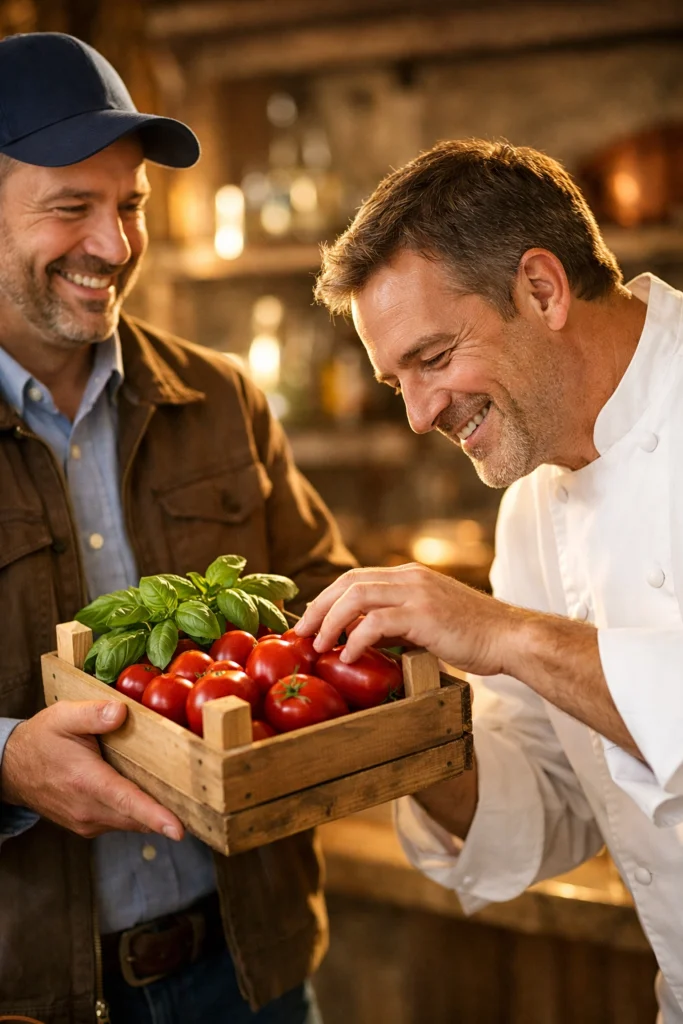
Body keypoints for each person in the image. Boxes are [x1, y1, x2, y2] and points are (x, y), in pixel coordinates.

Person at [0, 31, 355, 1024]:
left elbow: (327, 604)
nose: (114, 246)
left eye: (130, 206)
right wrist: (7, 760)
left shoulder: (221, 397)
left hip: (248, 974)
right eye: (71, 207)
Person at [300, 138, 683, 1022]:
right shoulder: (532, 505)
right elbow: (550, 796)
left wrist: (502, 634)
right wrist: (393, 724)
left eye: (432, 358)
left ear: (541, 289)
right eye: (395, 379)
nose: (418, 413)